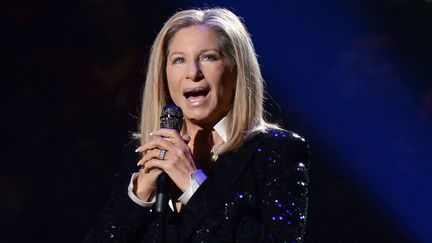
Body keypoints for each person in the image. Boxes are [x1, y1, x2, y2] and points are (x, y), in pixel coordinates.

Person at [85, 7, 310, 242]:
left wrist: (193, 184)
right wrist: (139, 195)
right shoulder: (141, 156)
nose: (193, 73)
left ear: (236, 72)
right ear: (164, 76)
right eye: (179, 60)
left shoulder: (274, 153)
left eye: (208, 57)